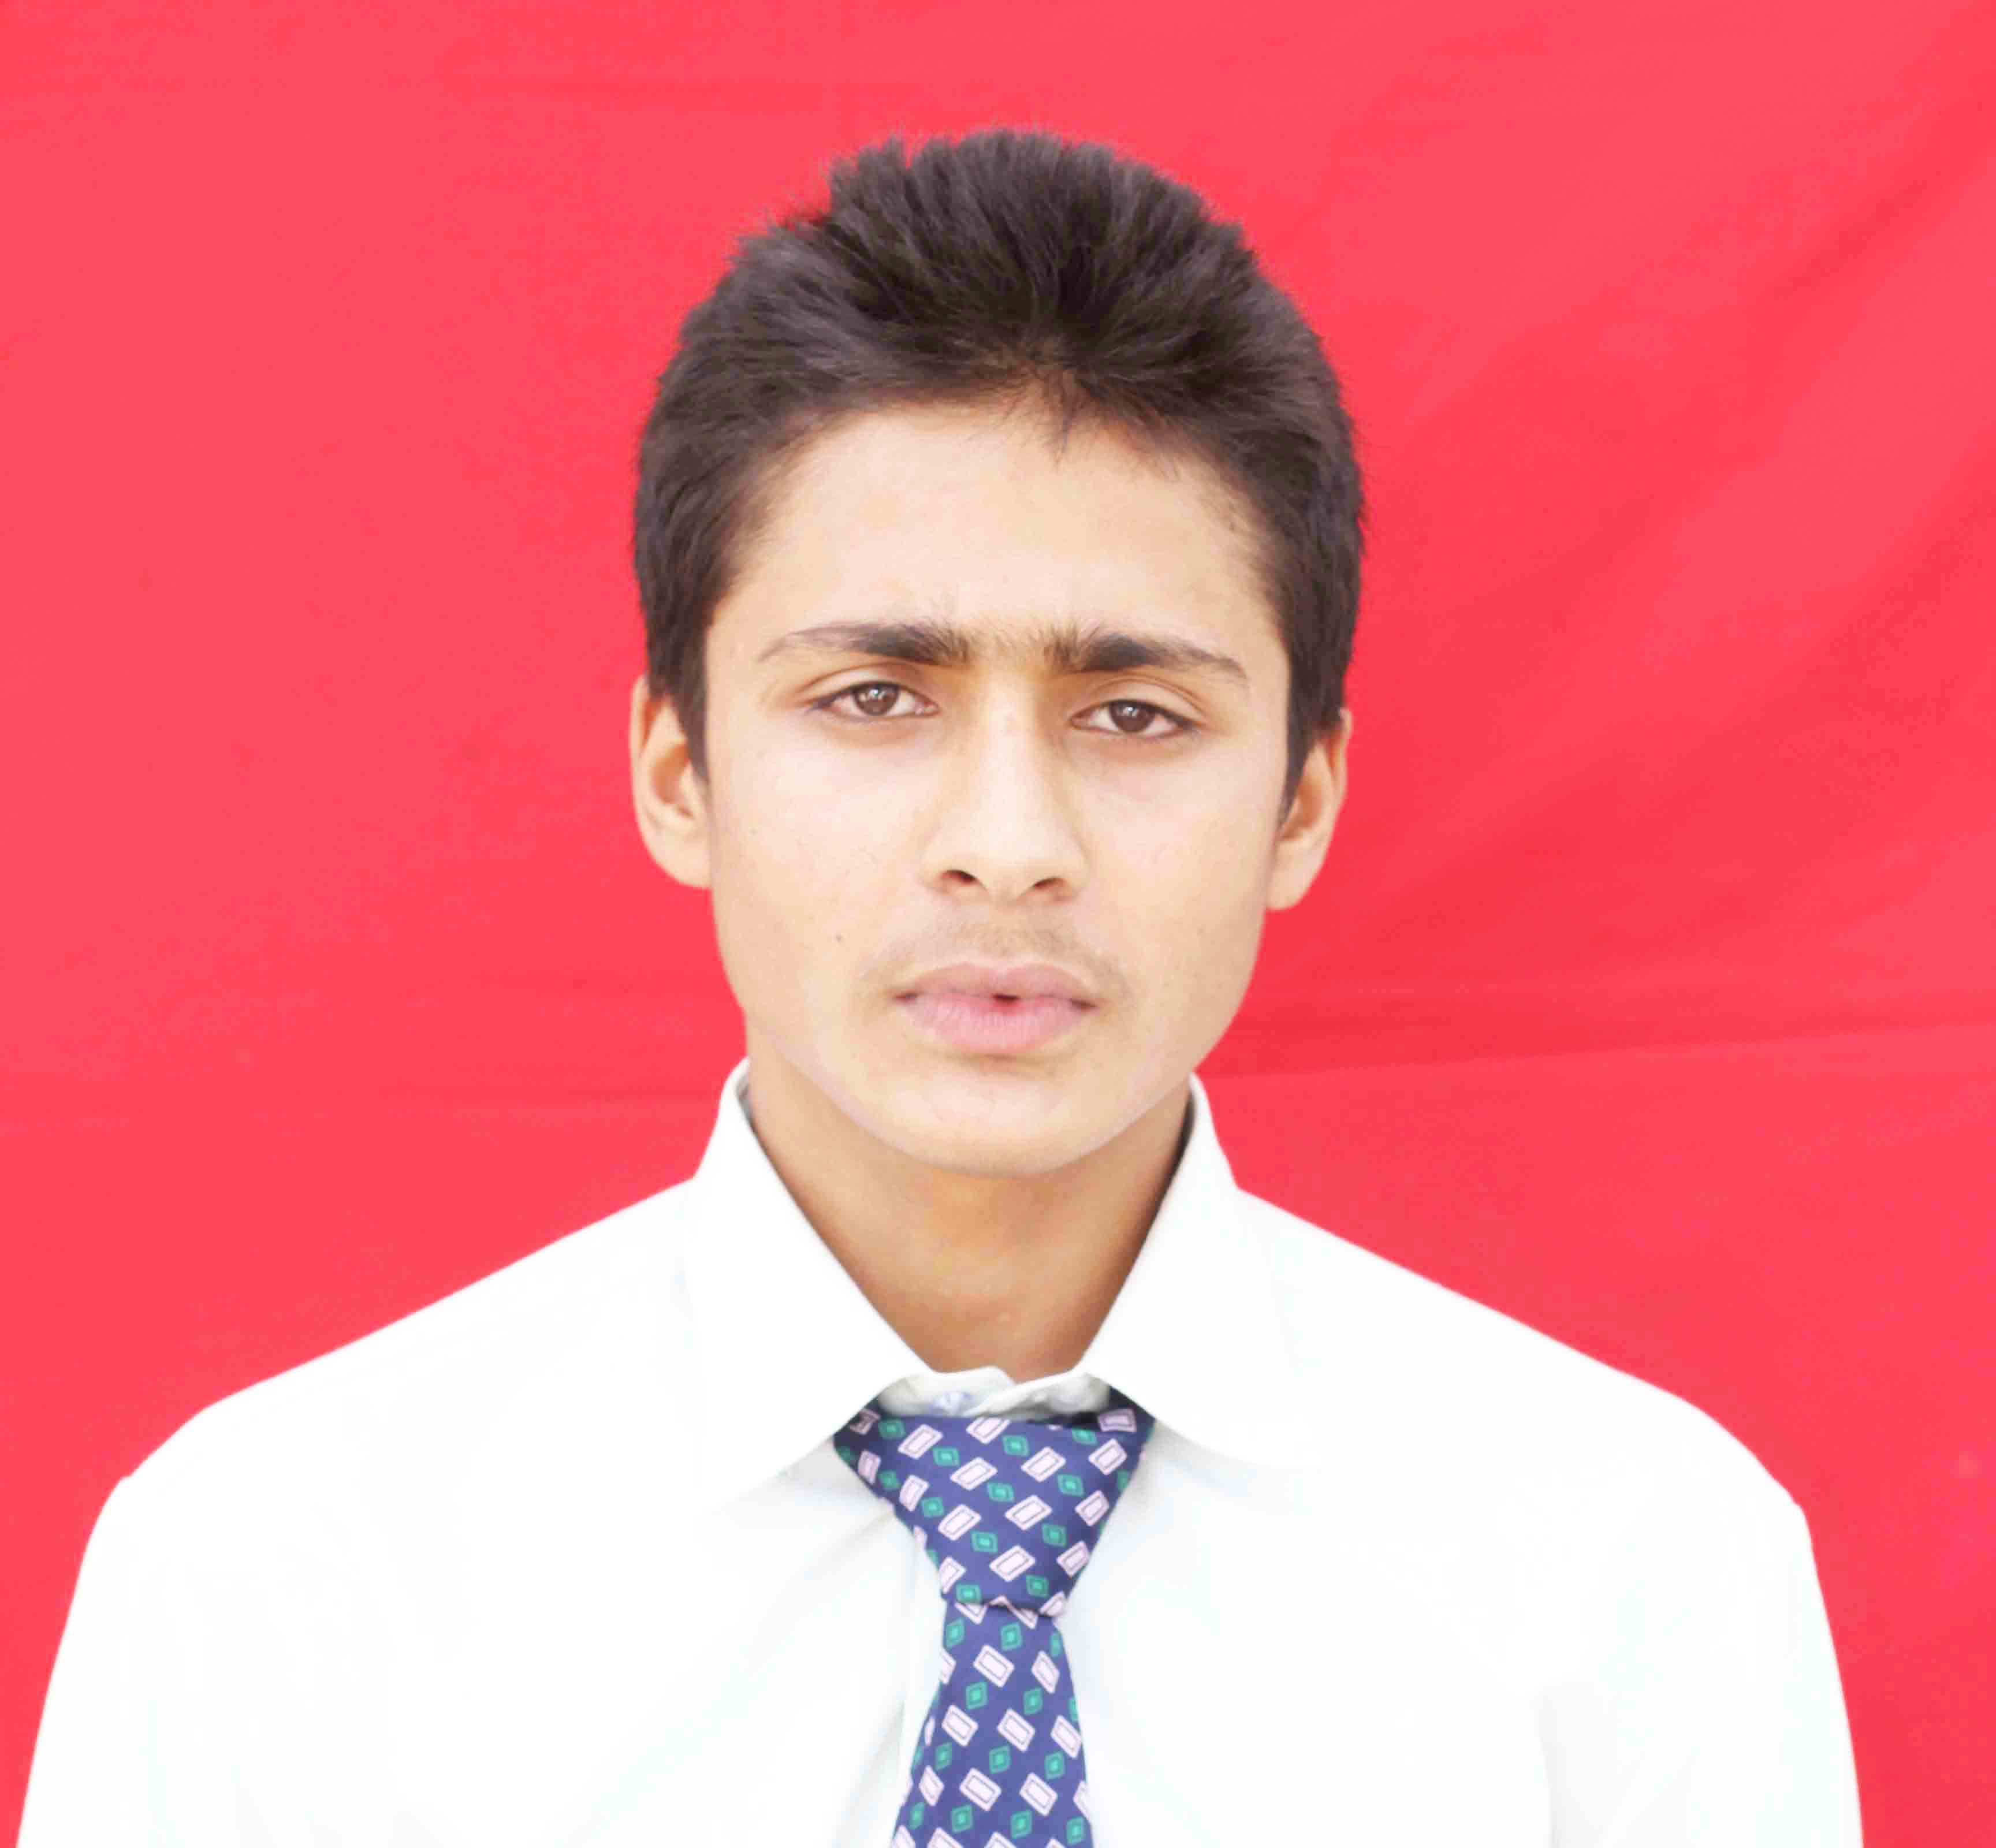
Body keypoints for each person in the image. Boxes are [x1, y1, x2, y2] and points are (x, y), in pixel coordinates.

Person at [20, 126, 1861, 1846]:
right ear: (679, 772)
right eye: (874, 698)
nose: (1008, 844)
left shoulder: (1632, 1568)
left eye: (1134, 715)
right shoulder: (282, 1577)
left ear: (1301, 801)